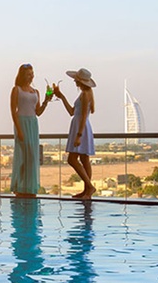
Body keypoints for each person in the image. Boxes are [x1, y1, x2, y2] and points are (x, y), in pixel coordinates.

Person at [54, 68, 96, 199]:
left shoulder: (84, 94)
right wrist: (61, 97)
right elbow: (72, 112)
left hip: (80, 127)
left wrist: (78, 135)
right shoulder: (85, 93)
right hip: (81, 126)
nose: (74, 81)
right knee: (84, 159)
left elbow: (83, 116)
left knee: (72, 159)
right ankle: (87, 191)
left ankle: (89, 187)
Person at [10, 63, 51, 197]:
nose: (31, 76)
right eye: (28, 73)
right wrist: (19, 130)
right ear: (22, 75)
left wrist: (46, 101)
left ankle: (29, 187)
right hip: (22, 122)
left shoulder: (35, 92)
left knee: (32, 157)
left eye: (32, 73)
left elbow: (38, 111)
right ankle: (19, 186)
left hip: (33, 123)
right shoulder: (16, 90)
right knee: (23, 156)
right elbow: (13, 111)